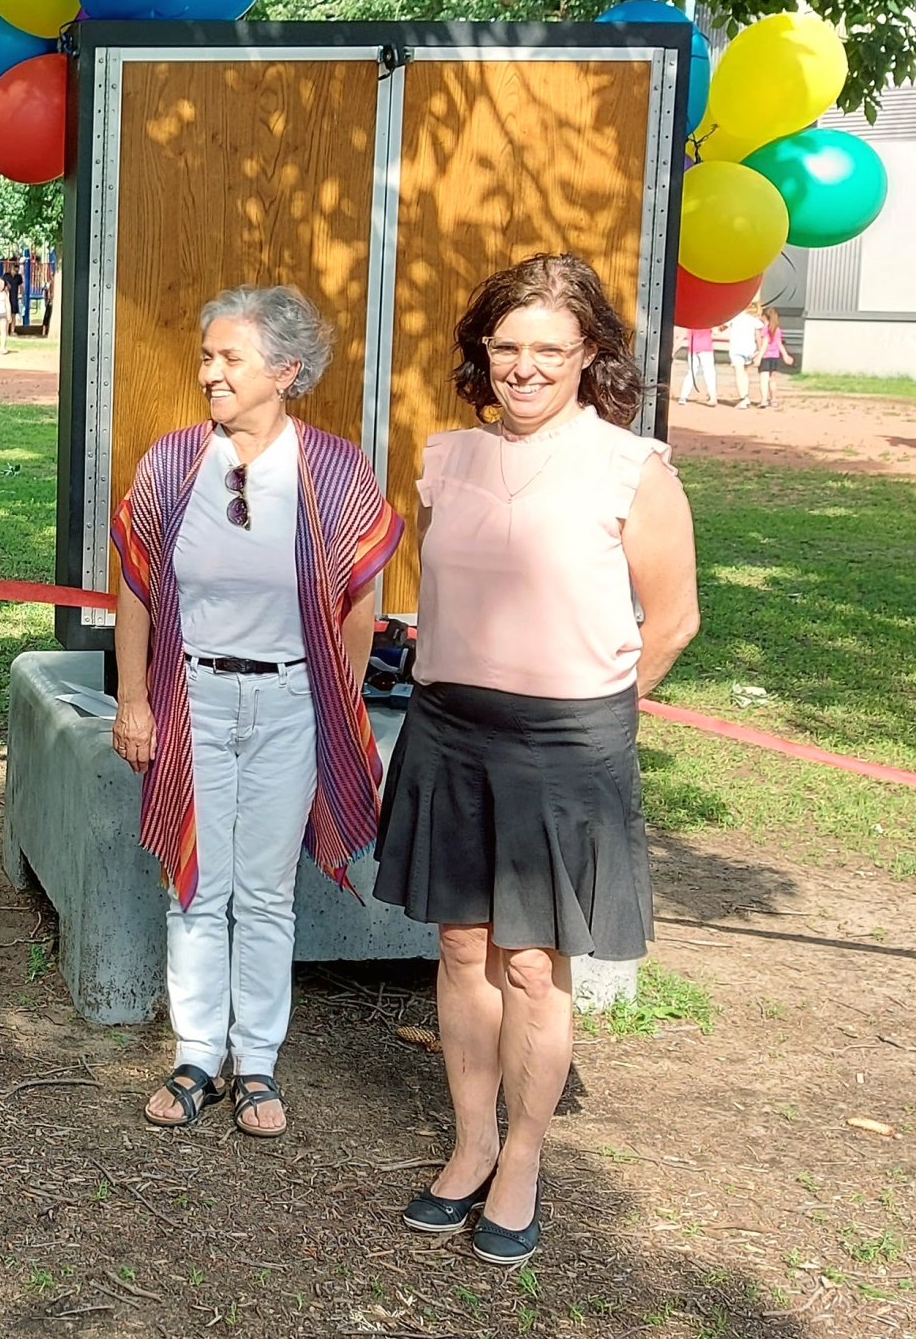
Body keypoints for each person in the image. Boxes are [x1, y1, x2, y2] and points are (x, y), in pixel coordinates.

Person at [376, 254, 698, 1267]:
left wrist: (589, 712)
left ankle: (520, 1157)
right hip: (448, 725)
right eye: (506, 346)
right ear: (482, 350)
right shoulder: (444, 457)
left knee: (531, 958)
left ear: (589, 352)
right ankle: (468, 1144)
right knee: (462, 948)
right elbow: (447, 592)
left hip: (567, 742)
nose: (523, 367)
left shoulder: (631, 467)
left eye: (548, 349)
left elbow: (674, 619)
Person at [110, 285, 401, 1139]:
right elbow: (136, 592)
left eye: (228, 358)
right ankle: (198, 1052)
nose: (209, 373)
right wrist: (134, 698)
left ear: (285, 369)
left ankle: (259, 1063)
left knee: (267, 889)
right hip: (189, 694)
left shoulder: (336, 470)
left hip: (291, 701)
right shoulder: (170, 464)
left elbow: (359, 602)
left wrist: (335, 704)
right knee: (195, 883)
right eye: (207, 356)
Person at [725, 301, 765, 408]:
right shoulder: (752, 319)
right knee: (745, 372)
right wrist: (759, 350)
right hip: (749, 348)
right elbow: (758, 335)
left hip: (736, 348)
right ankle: (746, 396)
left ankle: (743, 398)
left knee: (739, 373)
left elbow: (722, 326)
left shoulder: (734, 317)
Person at [757, 302, 791, 406]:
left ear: (764, 317)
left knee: (764, 379)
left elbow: (764, 344)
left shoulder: (764, 330)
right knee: (772, 380)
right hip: (775, 357)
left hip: (766, 356)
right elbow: (779, 344)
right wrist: (785, 355)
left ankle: (763, 400)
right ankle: (774, 400)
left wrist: (759, 356)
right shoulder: (777, 330)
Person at [675, 322, 717, 405]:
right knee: (709, 372)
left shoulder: (692, 320)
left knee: (691, 372)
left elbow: (682, 335)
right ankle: (713, 396)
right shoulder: (709, 319)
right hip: (706, 347)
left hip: (693, 348)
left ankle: (683, 396)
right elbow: (716, 332)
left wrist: (674, 349)